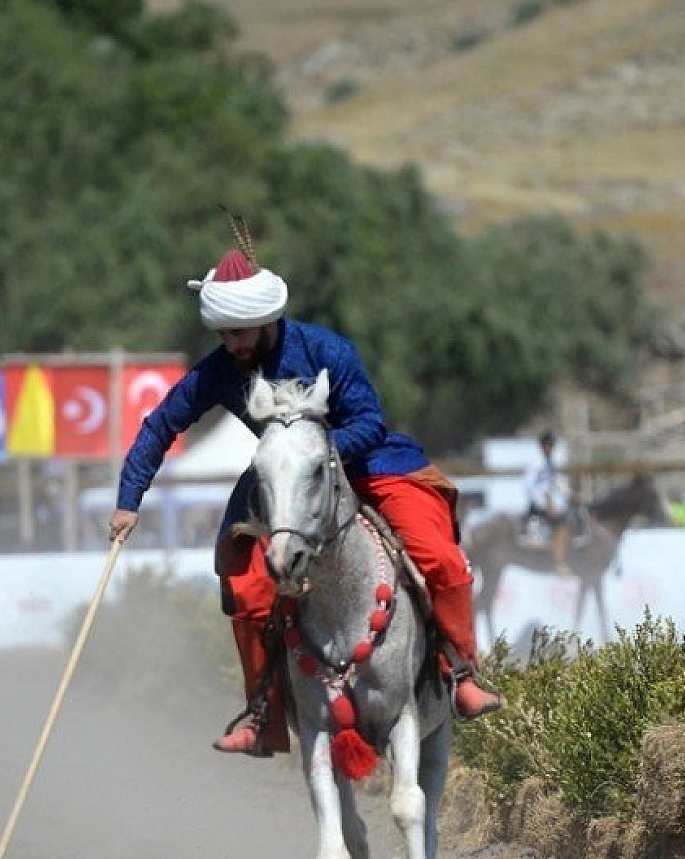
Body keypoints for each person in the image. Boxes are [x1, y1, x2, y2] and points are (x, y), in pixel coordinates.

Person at [108, 244, 504, 756]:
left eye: (239, 333)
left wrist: (321, 454)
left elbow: (369, 419)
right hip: (283, 480)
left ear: (267, 320)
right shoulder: (220, 370)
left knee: (440, 555)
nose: (231, 345)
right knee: (247, 586)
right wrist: (128, 500)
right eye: (223, 334)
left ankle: (462, 673)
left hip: (370, 463)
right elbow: (160, 425)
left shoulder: (327, 350)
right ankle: (263, 715)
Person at [524, 431, 584, 571]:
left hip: (553, 504)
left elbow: (559, 483)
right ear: (543, 446)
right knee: (562, 526)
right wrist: (546, 505)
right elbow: (530, 486)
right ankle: (559, 562)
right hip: (539, 505)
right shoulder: (536, 464)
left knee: (574, 519)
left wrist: (570, 494)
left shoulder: (552, 463)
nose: (551, 448)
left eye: (552, 446)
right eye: (549, 445)